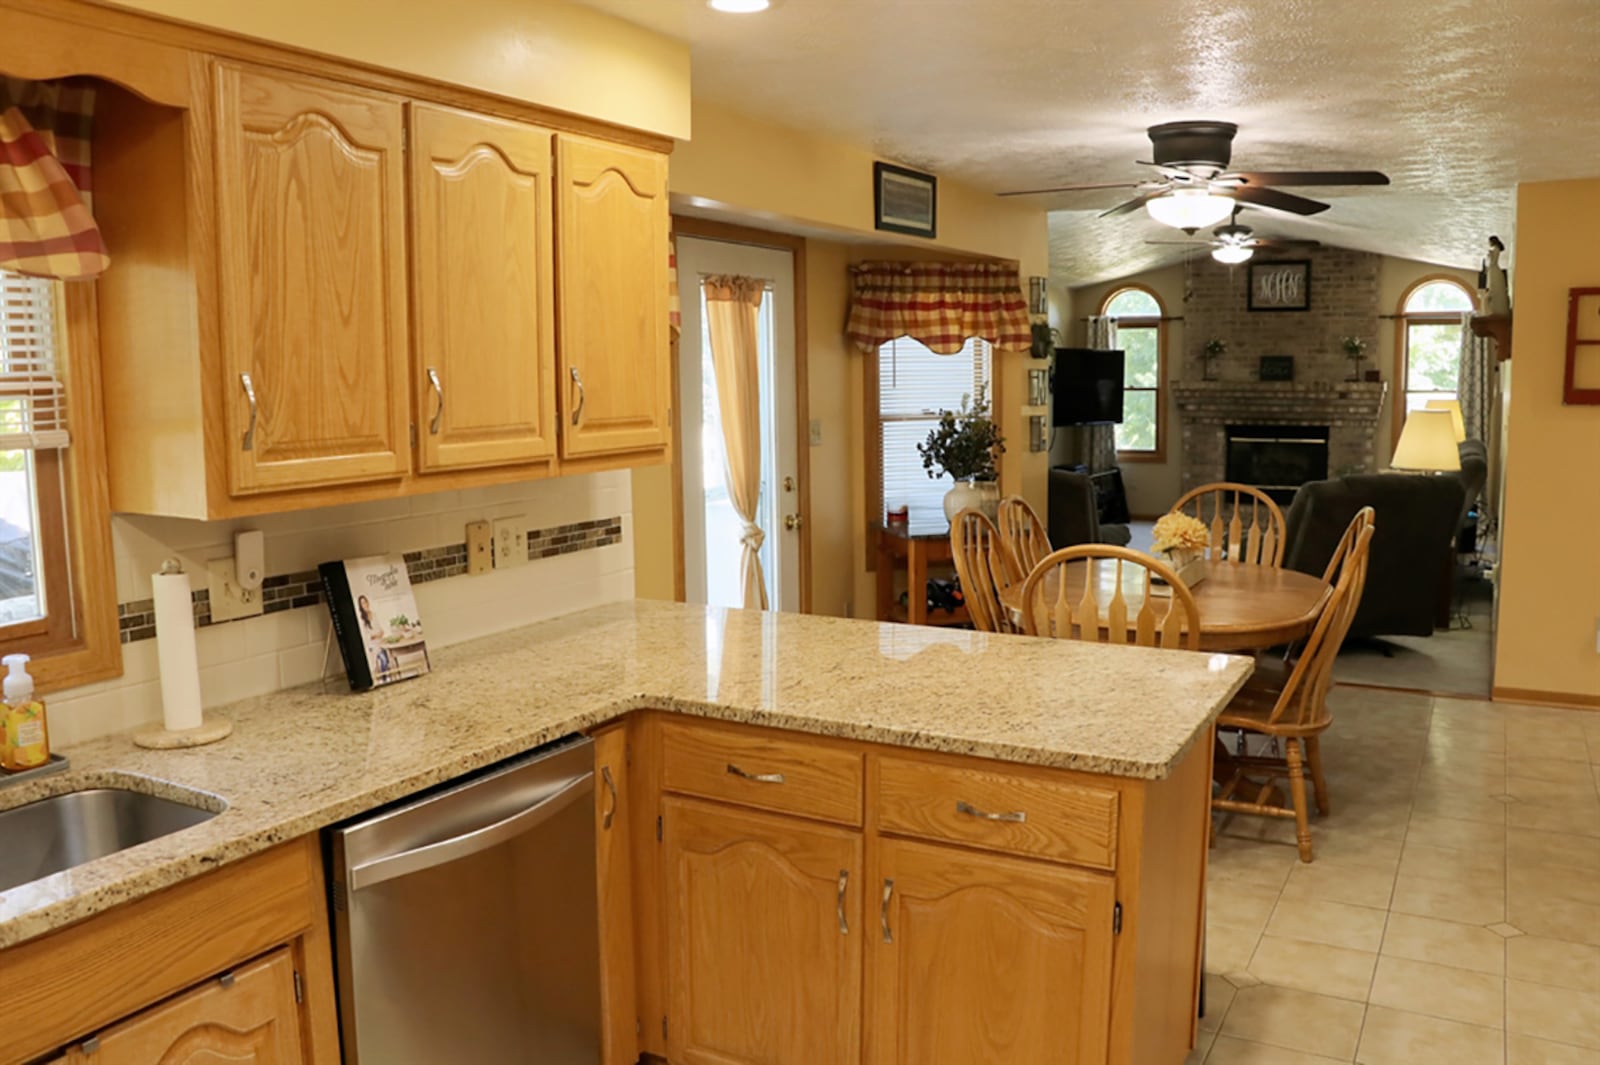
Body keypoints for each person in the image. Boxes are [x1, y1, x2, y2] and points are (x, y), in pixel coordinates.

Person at [1478, 235, 1511, 316]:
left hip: (1494, 270)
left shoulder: (1493, 250)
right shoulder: (1495, 249)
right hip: (1494, 270)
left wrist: (1486, 265)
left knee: (1494, 289)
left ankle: (1496, 309)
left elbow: (1491, 262)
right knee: (1493, 290)